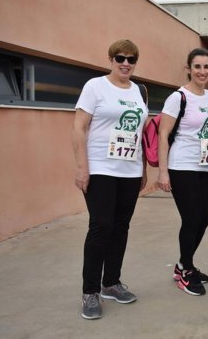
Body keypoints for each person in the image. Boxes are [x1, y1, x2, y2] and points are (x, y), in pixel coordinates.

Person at [72, 39, 148, 319]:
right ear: (111, 59)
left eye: (131, 59)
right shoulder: (95, 86)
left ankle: (111, 283)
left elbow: (138, 133)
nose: (126, 63)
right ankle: (90, 291)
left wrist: (143, 167)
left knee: (121, 227)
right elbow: (78, 128)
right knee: (100, 226)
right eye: (120, 58)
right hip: (101, 167)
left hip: (129, 169)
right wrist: (82, 167)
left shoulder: (139, 91)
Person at [157, 48, 208, 296]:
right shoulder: (178, 97)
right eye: (197, 67)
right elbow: (163, 134)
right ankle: (185, 271)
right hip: (182, 165)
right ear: (189, 69)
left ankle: (185, 264)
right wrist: (163, 172)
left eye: (206, 67)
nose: (202, 72)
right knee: (192, 218)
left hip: (206, 165)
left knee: (204, 217)